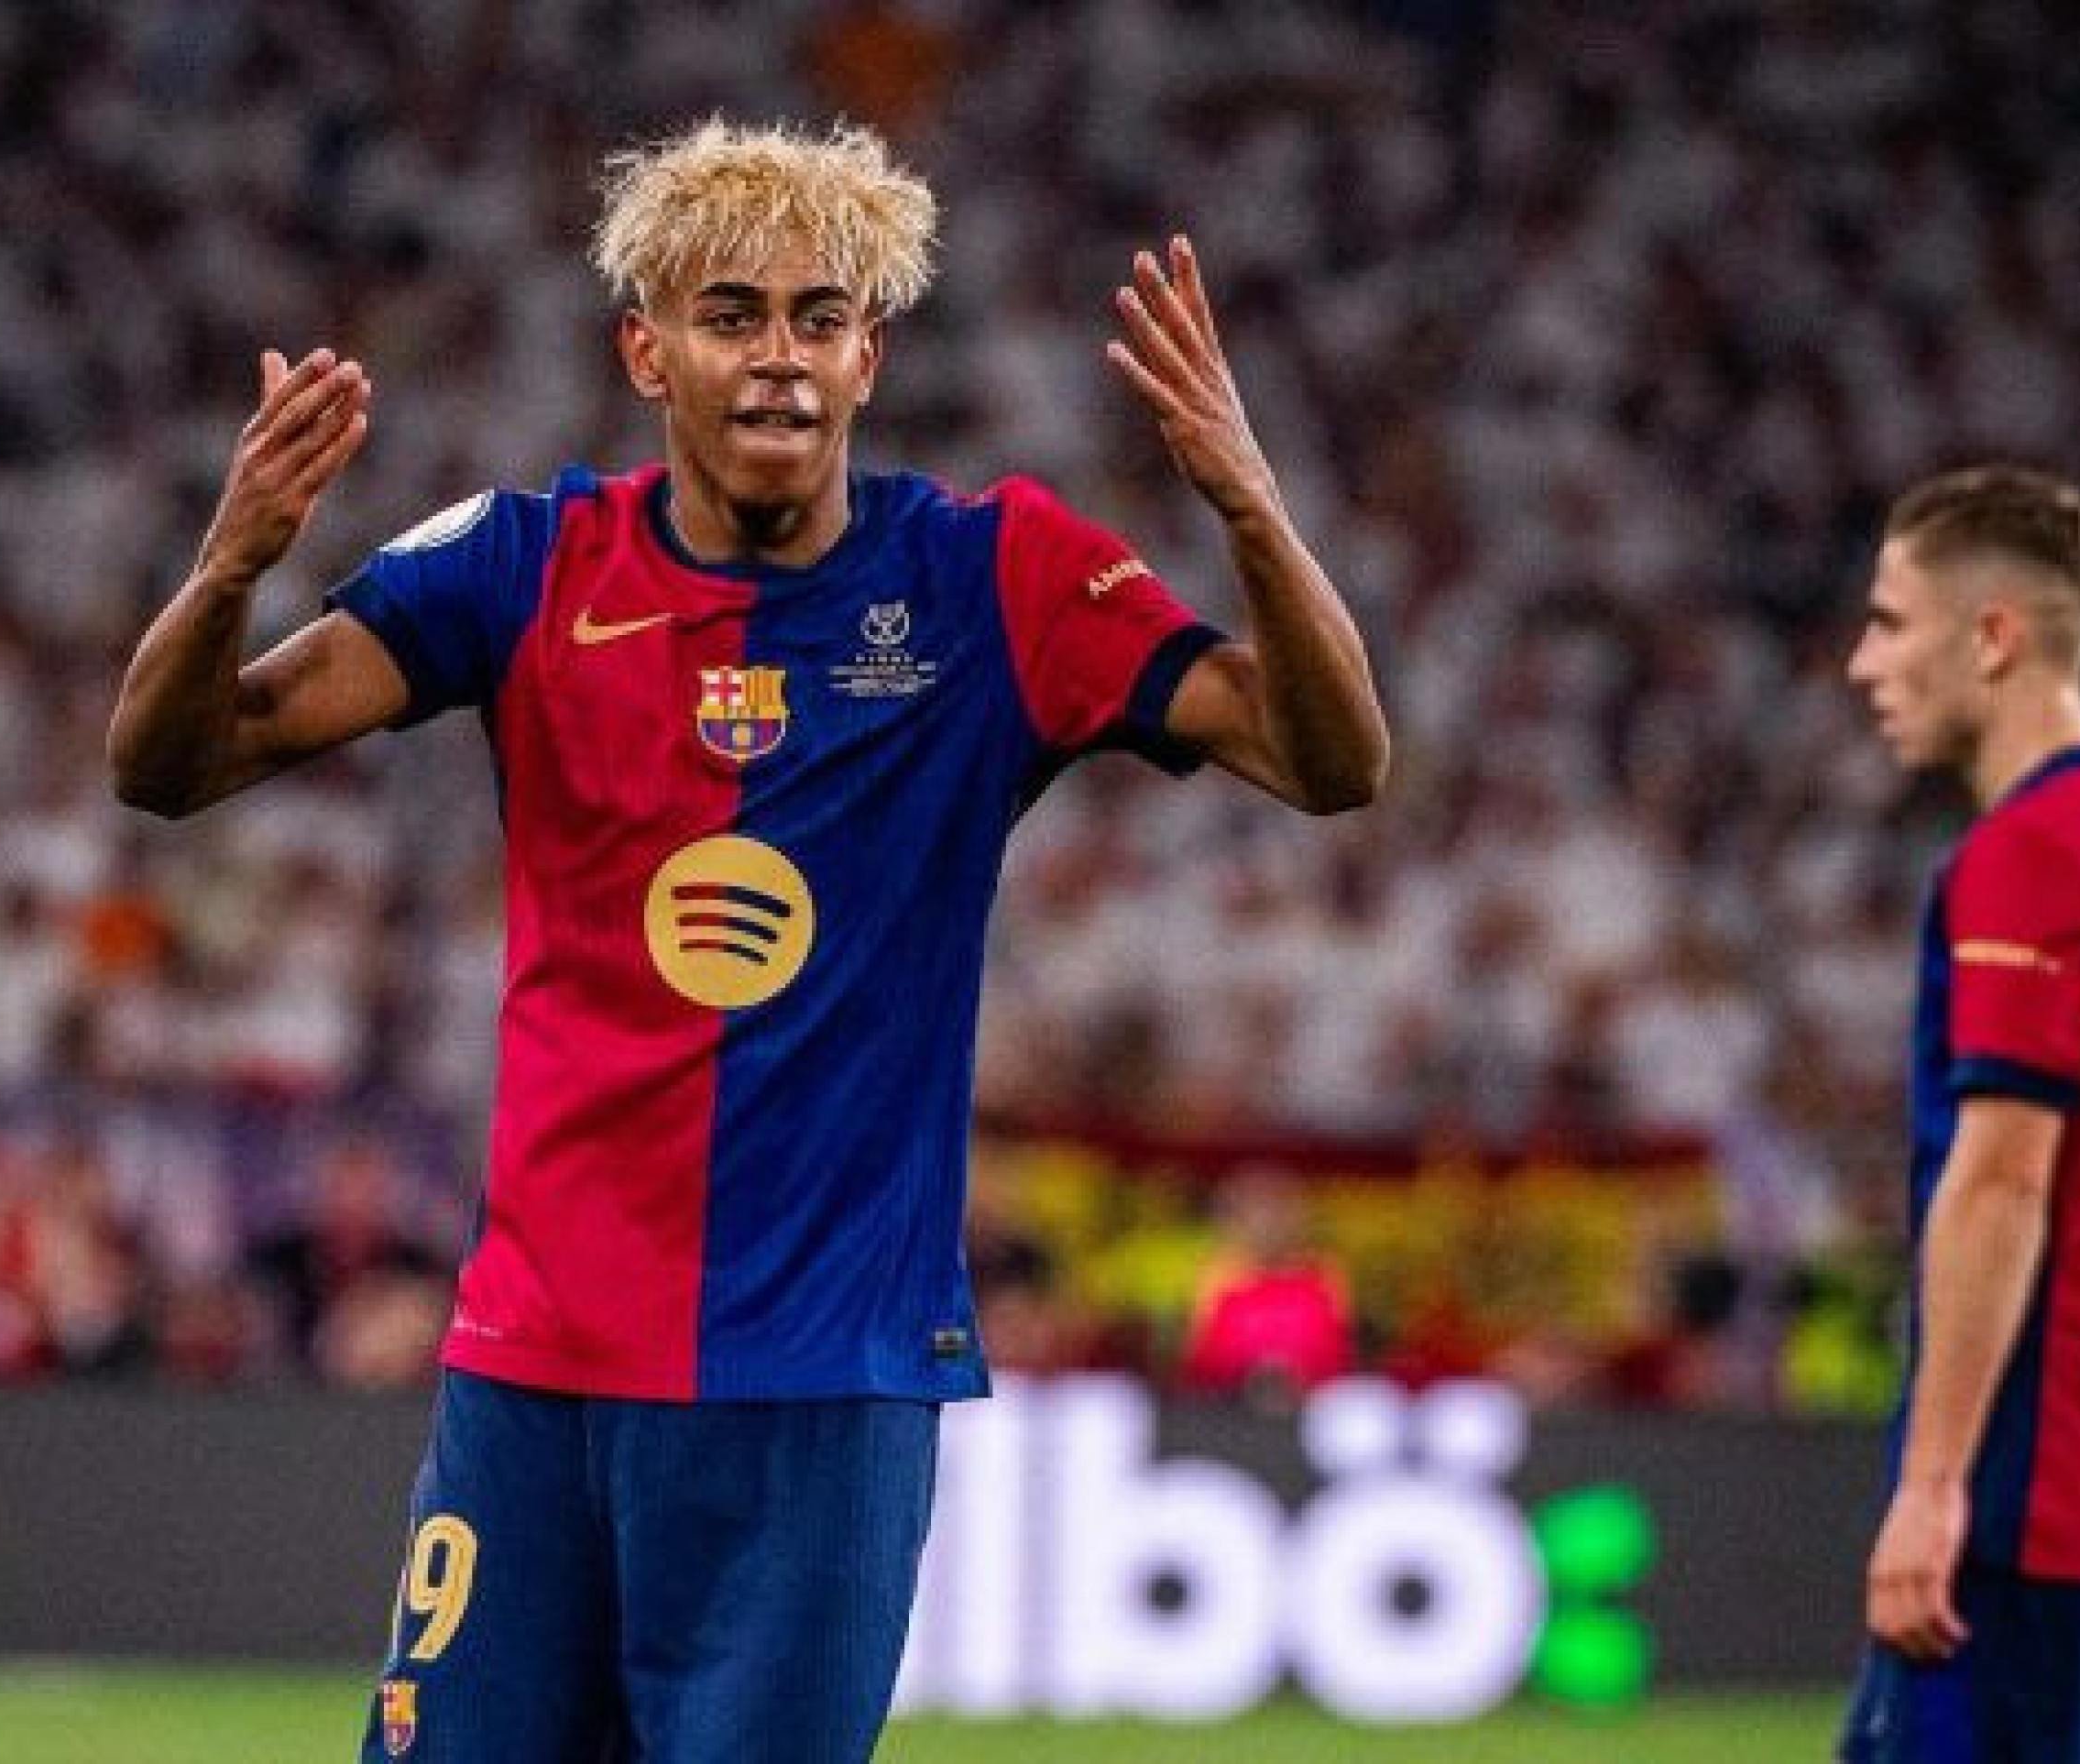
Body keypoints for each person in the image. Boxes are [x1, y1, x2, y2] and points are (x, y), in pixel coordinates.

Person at [110, 118, 1387, 1764]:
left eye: (817, 318)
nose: (778, 355)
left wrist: (1250, 507)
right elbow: (170, 764)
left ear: (869, 356)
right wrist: (230, 564)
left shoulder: (993, 577)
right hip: (537, 1377)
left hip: (822, 1387)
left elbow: (1329, 761)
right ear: (646, 351)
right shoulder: (522, 562)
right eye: (730, 315)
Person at [1841, 465, 2080, 1764]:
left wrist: (1933, 1484)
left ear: (1993, 635)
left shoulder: (2032, 856)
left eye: (1890, 621)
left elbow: (2004, 1179)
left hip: (2024, 1485)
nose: (1864, 663)